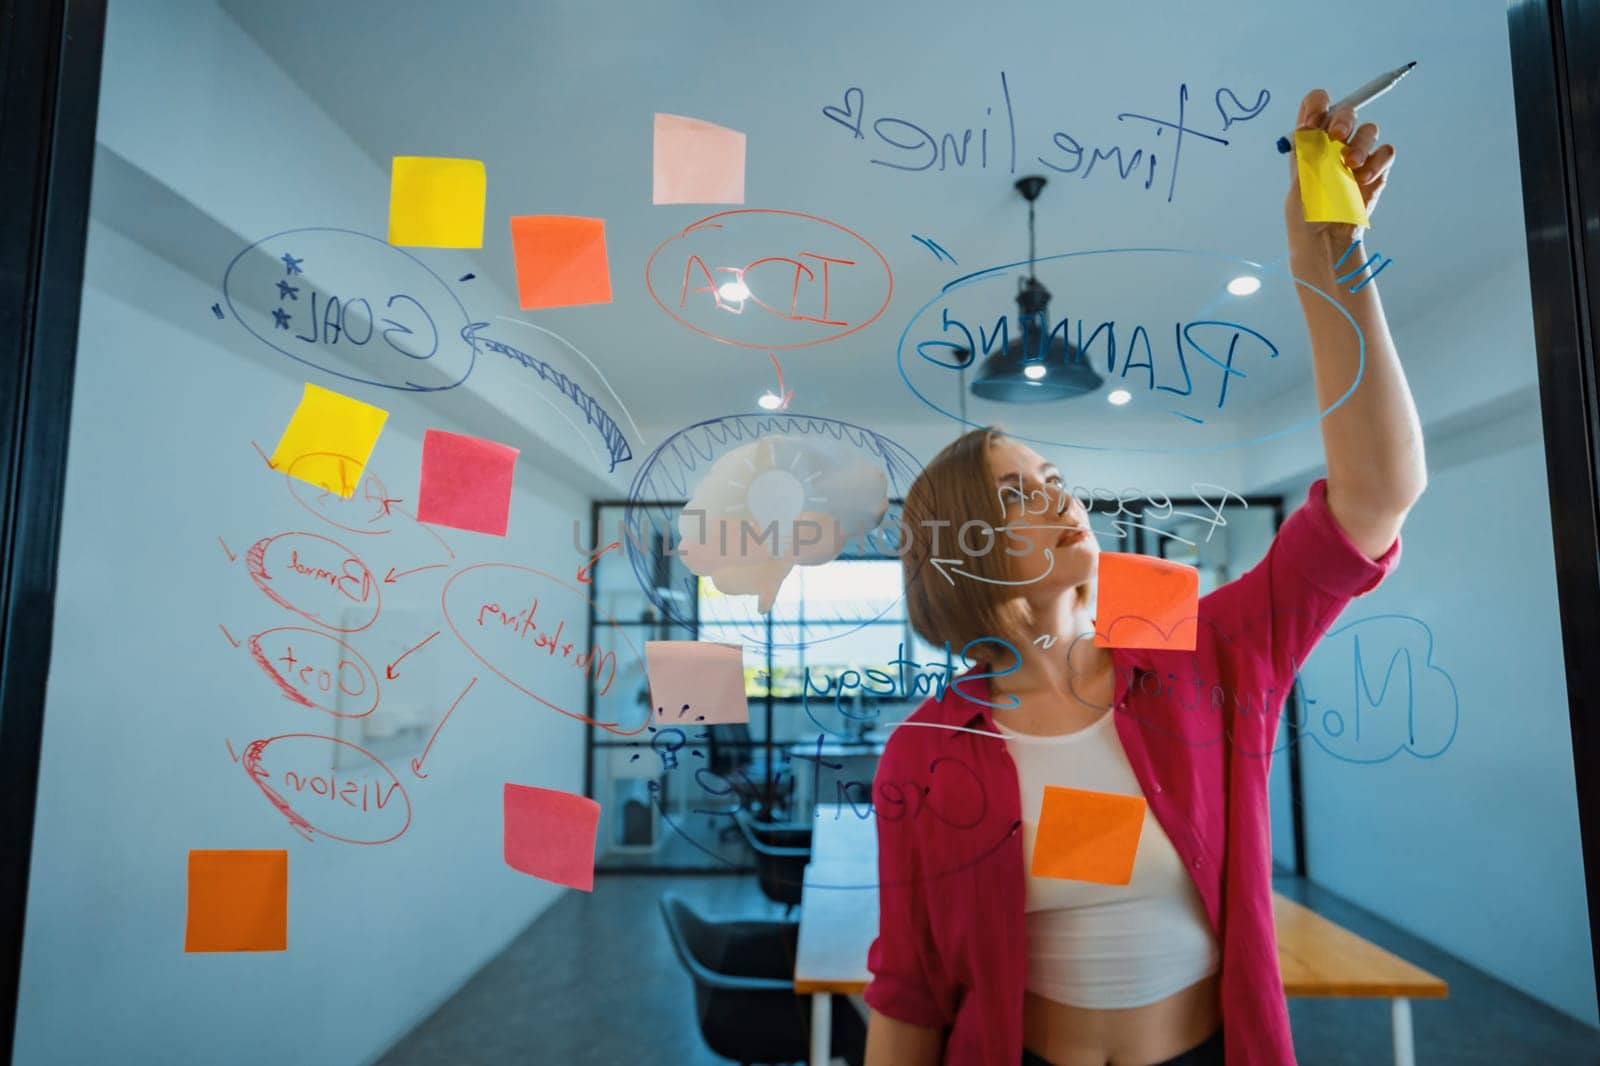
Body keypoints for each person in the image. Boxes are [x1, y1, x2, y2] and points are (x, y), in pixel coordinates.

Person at [862, 89, 1425, 1065]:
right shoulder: (926, 752)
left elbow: (1374, 497)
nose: (1061, 496)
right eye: (1020, 492)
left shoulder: (1208, 654)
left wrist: (1325, 258)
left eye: (1056, 478)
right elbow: (909, 991)